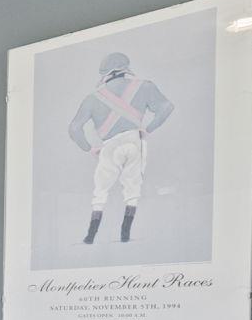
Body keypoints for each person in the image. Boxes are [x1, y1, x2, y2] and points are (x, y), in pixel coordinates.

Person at [67, 51, 173, 244]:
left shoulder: (92, 98)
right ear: (126, 68)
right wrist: (148, 129)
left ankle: (90, 236)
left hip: (109, 145)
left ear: (104, 73)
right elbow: (166, 107)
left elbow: (74, 129)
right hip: (135, 141)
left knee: (100, 191)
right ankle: (125, 235)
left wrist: (89, 148)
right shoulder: (145, 86)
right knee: (133, 189)